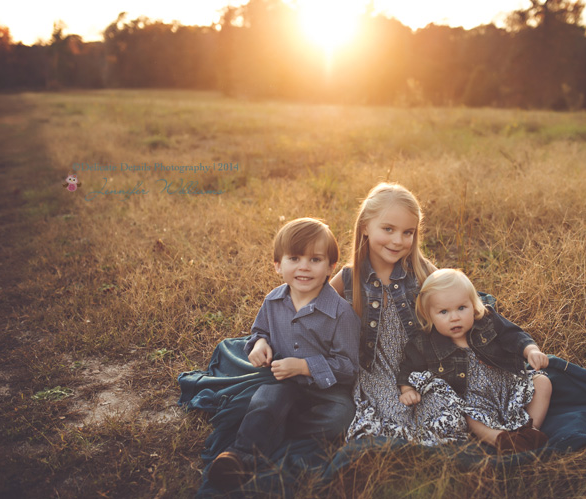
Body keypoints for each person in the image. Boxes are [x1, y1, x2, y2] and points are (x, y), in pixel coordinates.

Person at [208, 218, 361, 492]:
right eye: (294, 258)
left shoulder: (341, 313)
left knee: (341, 416)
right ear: (278, 265)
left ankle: (277, 428)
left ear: (330, 267)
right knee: (266, 399)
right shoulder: (273, 301)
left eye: (315, 259)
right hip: (282, 381)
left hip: (326, 390)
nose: (304, 266)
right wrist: (258, 345)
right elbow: (259, 332)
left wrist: (304, 366)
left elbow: (348, 366)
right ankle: (239, 456)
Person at [330, 183, 464, 445]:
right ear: (366, 227)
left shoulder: (421, 271)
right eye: (388, 229)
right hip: (375, 371)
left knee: (447, 418)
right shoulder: (348, 278)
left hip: (420, 367)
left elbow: (458, 298)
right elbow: (311, 309)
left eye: (407, 232)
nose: (398, 240)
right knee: (391, 425)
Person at [397, 269, 553, 453]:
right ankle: (500, 440)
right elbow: (408, 367)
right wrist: (407, 389)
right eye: (444, 312)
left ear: (473, 305)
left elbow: (513, 335)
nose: (454, 317)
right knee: (469, 419)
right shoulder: (425, 343)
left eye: (461, 308)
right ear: (429, 315)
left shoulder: (487, 321)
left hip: (508, 386)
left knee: (543, 382)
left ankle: (530, 430)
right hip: (473, 402)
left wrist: (531, 350)